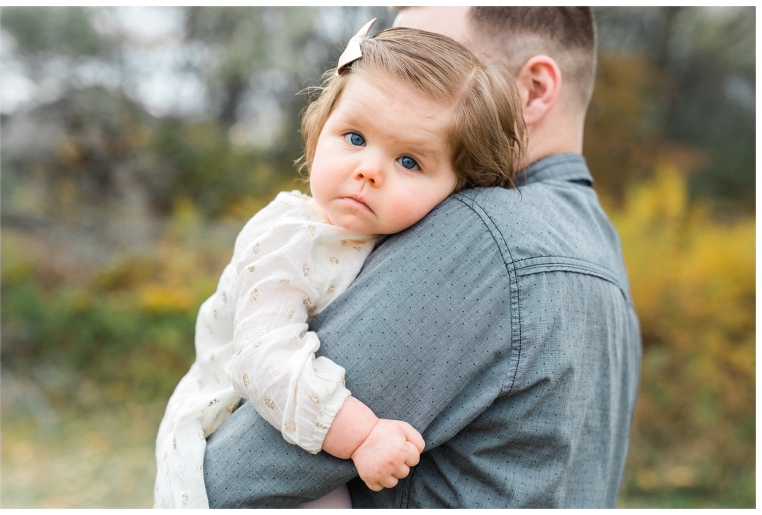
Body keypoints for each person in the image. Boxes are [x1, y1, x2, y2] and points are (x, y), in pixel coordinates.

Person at [203, 6, 641, 509]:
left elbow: (227, 485)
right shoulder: (602, 249)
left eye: (433, 55)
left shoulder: (483, 234)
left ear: (535, 90)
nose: (399, 69)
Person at [154, 21, 527, 509]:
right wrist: (362, 436)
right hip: (235, 430)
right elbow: (265, 359)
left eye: (409, 162)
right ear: (317, 131)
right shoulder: (289, 238)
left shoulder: (398, 240)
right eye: (354, 137)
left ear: (458, 190)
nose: (368, 169)